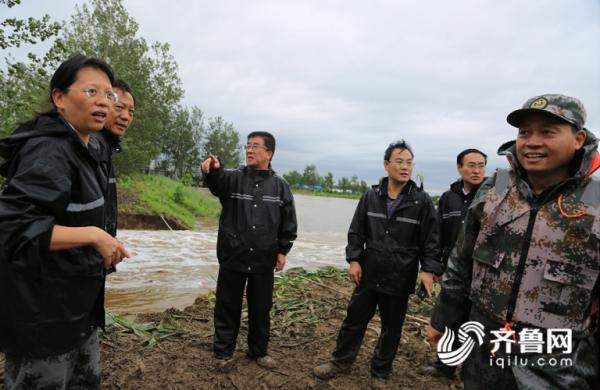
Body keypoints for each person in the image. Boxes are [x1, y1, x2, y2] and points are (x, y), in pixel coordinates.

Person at [426, 94, 600, 389]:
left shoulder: (595, 201)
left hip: (557, 362)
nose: (532, 142)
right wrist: (444, 320)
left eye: (547, 132)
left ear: (578, 139)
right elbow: (461, 263)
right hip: (486, 349)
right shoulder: (496, 188)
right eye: (524, 132)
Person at [0, 54, 130, 389]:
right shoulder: (49, 152)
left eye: (108, 94)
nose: (103, 101)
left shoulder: (87, 147)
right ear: (59, 98)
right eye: (90, 92)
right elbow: (13, 231)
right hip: (43, 316)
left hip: (77, 307)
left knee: (87, 380)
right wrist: (93, 235)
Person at [313, 140, 443, 386]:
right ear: (386, 165)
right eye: (399, 161)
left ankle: (381, 372)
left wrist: (428, 270)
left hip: (400, 275)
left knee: (391, 328)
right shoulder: (371, 196)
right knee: (354, 320)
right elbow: (356, 232)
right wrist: (354, 260)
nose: (405, 167)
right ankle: (340, 361)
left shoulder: (421, 201)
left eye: (409, 163)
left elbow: (431, 240)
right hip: (369, 272)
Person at [201, 131, 297, 371]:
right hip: (233, 254)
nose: (249, 150)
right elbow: (216, 181)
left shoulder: (280, 186)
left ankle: (258, 352)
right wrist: (212, 169)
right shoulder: (232, 179)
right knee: (227, 307)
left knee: (261, 309)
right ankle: (223, 353)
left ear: (269, 153)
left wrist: (283, 250)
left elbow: (288, 222)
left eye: (255, 146)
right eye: (247, 146)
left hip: (264, 259)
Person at [422, 148, 487, 378]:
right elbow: (436, 234)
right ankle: (444, 366)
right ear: (460, 167)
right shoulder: (449, 198)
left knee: (476, 323)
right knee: (449, 318)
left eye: (481, 165)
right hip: (453, 271)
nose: (477, 170)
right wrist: (435, 266)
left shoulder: (493, 195)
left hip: (482, 272)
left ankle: (470, 372)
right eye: (471, 165)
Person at [91, 79, 135, 240]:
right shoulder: (93, 146)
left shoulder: (105, 147)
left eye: (131, 111)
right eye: (119, 108)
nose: (125, 117)